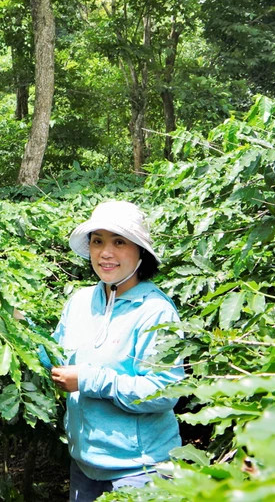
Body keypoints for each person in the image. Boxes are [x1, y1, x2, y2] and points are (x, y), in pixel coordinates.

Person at [49, 200, 183, 501]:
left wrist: (90, 380)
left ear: (140, 252)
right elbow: (57, 358)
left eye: (119, 242)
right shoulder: (80, 301)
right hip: (85, 465)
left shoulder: (155, 311)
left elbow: (165, 390)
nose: (105, 253)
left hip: (140, 471)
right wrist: (18, 328)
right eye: (97, 241)